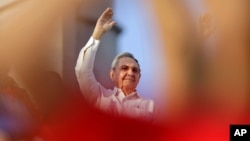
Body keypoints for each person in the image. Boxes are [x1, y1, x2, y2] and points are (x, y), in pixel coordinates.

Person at [75, 8, 154, 121]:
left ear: (139, 77)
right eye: (124, 68)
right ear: (113, 74)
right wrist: (97, 34)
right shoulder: (100, 96)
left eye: (135, 70)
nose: (130, 73)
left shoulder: (151, 107)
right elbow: (82, 71)